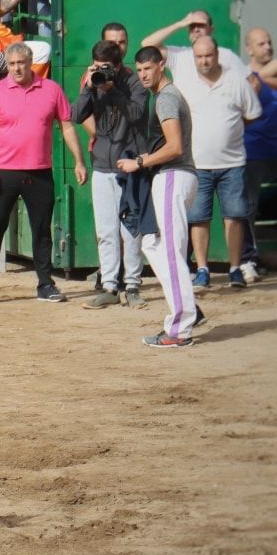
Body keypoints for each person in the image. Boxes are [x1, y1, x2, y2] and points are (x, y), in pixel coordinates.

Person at [0, 44, 87, 305]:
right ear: (6, 65)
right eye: (12, 64)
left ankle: (45, 284)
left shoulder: (51, 89)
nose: (17, 68)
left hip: (40, 171)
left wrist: (79, 160)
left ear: (31, 63)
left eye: (21, 62)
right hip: (5, 172)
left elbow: (66, 126)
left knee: (42, 230)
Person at [121, 48, 200, 347]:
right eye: (139, 69)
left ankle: (180, 328)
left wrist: (140, 162)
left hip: (173, 177)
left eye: (148, 68)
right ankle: (190, 310)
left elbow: (175, 147)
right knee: (159, 247)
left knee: (163, 250)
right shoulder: (165, 95)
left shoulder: (166, 97)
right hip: (176, 178)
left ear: (162, 65)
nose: (143, 75)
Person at [171, 36, 261, 289]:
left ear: (217, 55)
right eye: (199, 57)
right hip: (197, 165)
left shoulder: (236, 82)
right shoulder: (185, 83)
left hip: (233, 163)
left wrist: (229, 132)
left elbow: (252, 114)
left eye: (208, 56)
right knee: (199, 218)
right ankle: (202, 270)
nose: (204, 61)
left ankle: (234, 269)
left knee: (234, 216)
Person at [75, 39, 149, 309]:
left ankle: (132, 285)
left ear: (118, 66)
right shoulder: (93, 80)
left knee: (130, 229)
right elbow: (76, 115)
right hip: (102, 165)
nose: (101, 71)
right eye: (97, 66)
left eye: (106, 67)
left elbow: (137, 113)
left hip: (128, 165)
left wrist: (112, 89)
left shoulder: (133, 82)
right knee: (105, 229)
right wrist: (88, 87)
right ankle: (109, 286)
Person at [239, 28, 277, 282]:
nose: (267, 47)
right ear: (249, 48)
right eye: (261, 44)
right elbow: (259, 76)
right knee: (248, 206)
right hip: (253, 151)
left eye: (270, 42)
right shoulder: (246, 76)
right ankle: (248, 259)